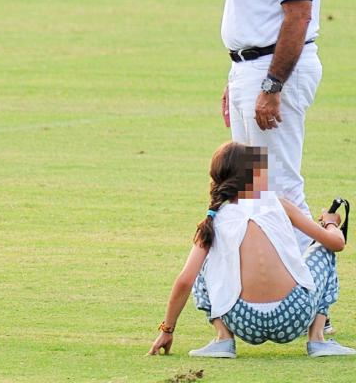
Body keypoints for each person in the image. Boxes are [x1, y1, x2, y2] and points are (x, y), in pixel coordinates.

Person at [199, 0, 322, 250]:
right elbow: (258, 15)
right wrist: (238, 74)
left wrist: (271, 86)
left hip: (275, 75)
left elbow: (298, 16)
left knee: (280, 192)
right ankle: (274, 300)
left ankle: (316, 309)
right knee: (252, 191)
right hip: (252, 70)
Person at [147, 142, 353, 358]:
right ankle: (317, 338)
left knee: (202, 265)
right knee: (323, 250)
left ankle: (223, 338)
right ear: (254, 175)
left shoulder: (212, 221)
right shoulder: (278, 204)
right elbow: (335, 243)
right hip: (294, 317)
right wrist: (330, 223)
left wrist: (167, 330)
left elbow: (184, 281)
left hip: (242, 321)